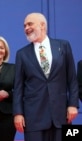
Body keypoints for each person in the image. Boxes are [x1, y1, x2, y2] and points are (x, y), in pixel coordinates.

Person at [13, 12, 79, 141]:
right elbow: (18, 87)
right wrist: (18, 113)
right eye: (24, 26)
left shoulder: (63, 46)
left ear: (42, 25)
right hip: (33, 117)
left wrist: (73, 104)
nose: (26, 28)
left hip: (62, 115)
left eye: (30, 24)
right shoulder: (22, 54)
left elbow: (72, 79)